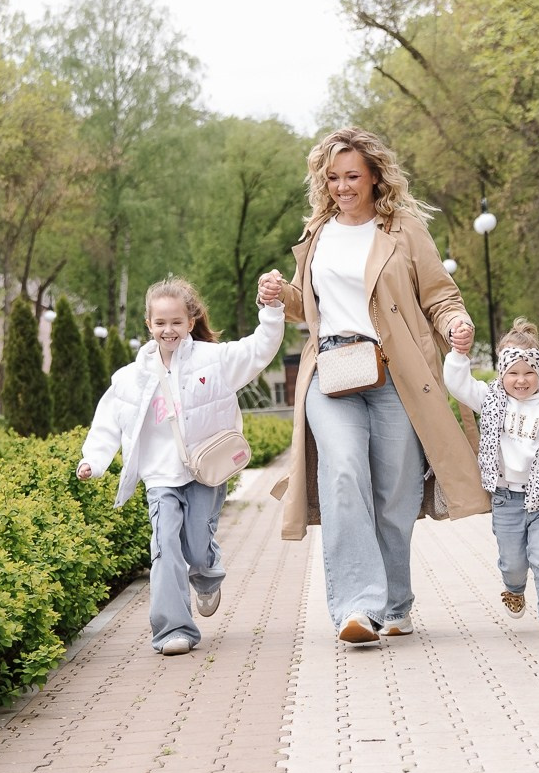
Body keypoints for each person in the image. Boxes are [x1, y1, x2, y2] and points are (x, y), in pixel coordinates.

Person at [262, 128, 488, 645]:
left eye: (352, 177)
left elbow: (438, 293)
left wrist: (457, 323)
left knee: (396, 493)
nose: (342, 187)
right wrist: (279, 295)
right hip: (332, 371)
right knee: (342, 474)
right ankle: (357, 608)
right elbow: (308, 304)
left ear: (374, 177)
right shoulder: (317, 232)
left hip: (396, 374)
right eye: (333, 178)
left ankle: (394, 604)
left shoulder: (402, 230)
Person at [77, 276, 283, 655]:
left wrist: (272, 310)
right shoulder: (132, 377)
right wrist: (94, 460)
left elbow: (260, 349)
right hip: (160, 478)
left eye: (175, 322)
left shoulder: (213, 360)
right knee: (165, 547)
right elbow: (108, 420)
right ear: (148, 325)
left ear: (191, 322)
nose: (168, 330)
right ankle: (174, 630)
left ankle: (207, 573)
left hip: (204, 471)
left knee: (198, 545)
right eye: (160, 323)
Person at [443, 316, 539, 640]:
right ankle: (514, 588)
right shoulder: (492, 400)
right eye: (513, 373)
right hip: (507, 497)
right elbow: (459, 385)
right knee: (513, 562)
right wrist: (458, 354)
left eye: (529, 373)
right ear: (502, 373)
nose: (521, 381)